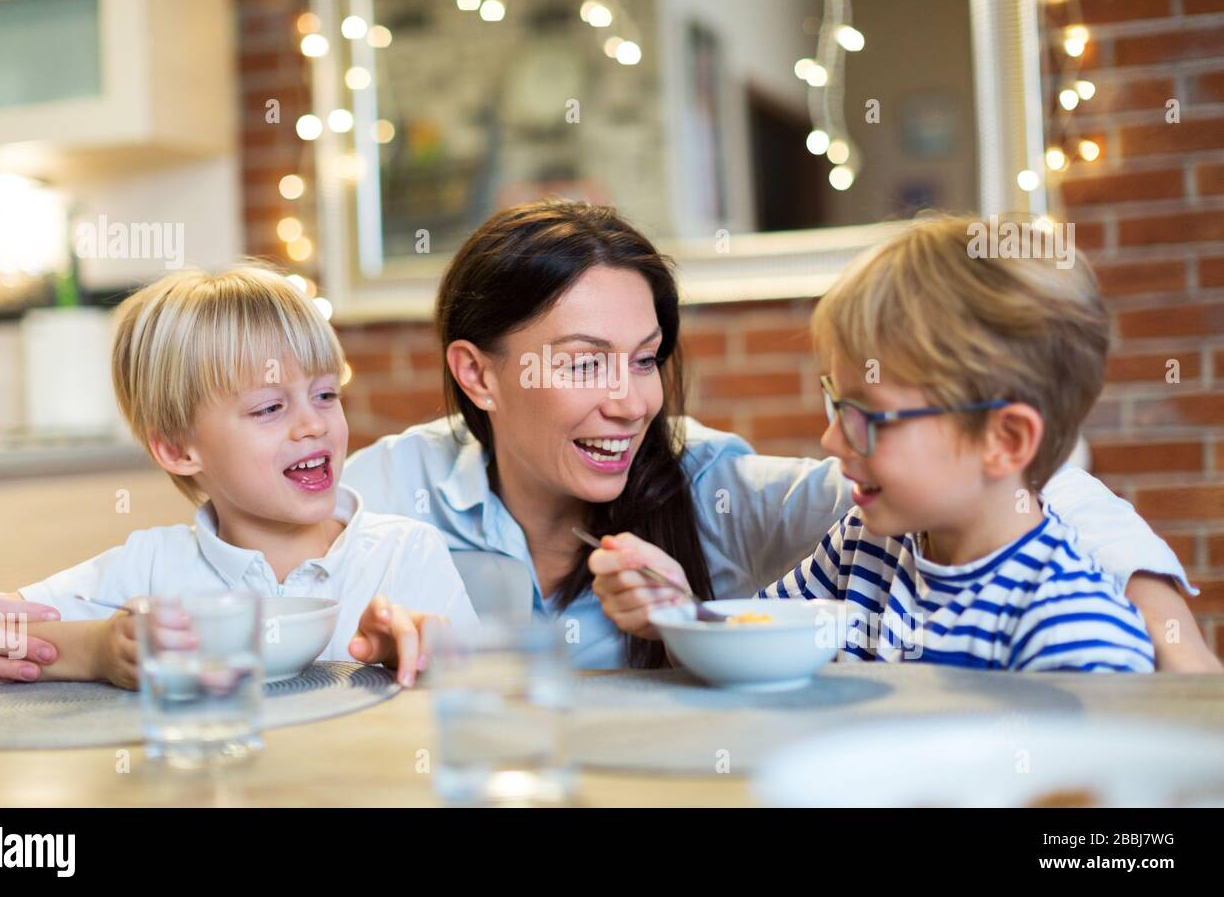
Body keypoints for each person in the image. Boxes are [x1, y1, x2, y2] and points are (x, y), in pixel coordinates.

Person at [340, 200, 1213, 670]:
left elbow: (1017, 490)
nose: (630, 402)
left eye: (646, 360)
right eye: (582, 363)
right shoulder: (385, 492)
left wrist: (1173, 636)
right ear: (478, 373)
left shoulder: (722, 487)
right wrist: (366, 647)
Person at [12, 265, 477, 689]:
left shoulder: (403, 555)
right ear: (177, 449)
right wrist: (96, 649)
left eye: (325, 394)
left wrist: (414, 651)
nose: (314, 424)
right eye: (269, 408)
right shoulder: (150, 566)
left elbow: (484, 691)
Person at [749, 216, 1154, 669]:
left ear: (1004, 440)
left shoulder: (1073, 637)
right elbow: (758, 643)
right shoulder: (862, 541)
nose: (831, 439)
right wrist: (681, 611)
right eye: (837, 404)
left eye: (867, 415)